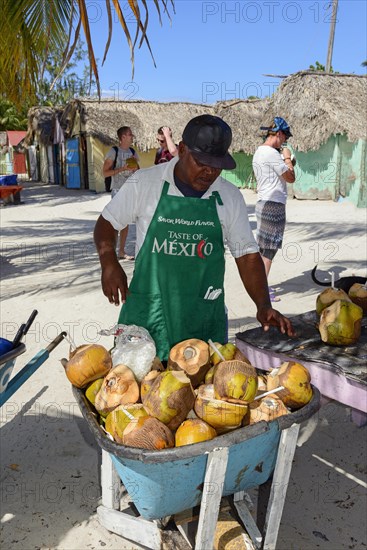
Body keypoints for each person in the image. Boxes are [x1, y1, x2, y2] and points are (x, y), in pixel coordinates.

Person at [94, 115, 295, 360]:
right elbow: (106, 223)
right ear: (181, 150)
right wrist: (109, 262)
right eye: (202, 161)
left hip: (202, 315)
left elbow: (247, 255)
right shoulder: (145, 183)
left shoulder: (229, 196)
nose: (210, 171)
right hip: (149, 311)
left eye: (217, 164)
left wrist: (263, 304)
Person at [252, 117, 296, 302]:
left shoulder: (259, 152)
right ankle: (262, 291)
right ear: (278, 133)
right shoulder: (271, 153)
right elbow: (291, 177)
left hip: (263, 202)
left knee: (263, 248)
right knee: (269, 250)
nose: (284, 142)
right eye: (284, 137)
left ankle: (258, 285)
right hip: (273, 205)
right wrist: (287, 157)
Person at [102, 126, 140, 260]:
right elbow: (105, 172)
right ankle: (111, 250)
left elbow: (138, 171)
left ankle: (121, 251)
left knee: (126, 223)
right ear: (123, 137)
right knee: (115, 221)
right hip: (117, 189)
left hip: (130, 190)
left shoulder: (133, 152)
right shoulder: (114, 151)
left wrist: (134, 169)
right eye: (130, 134)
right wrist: (122, 168)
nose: (132, 136)